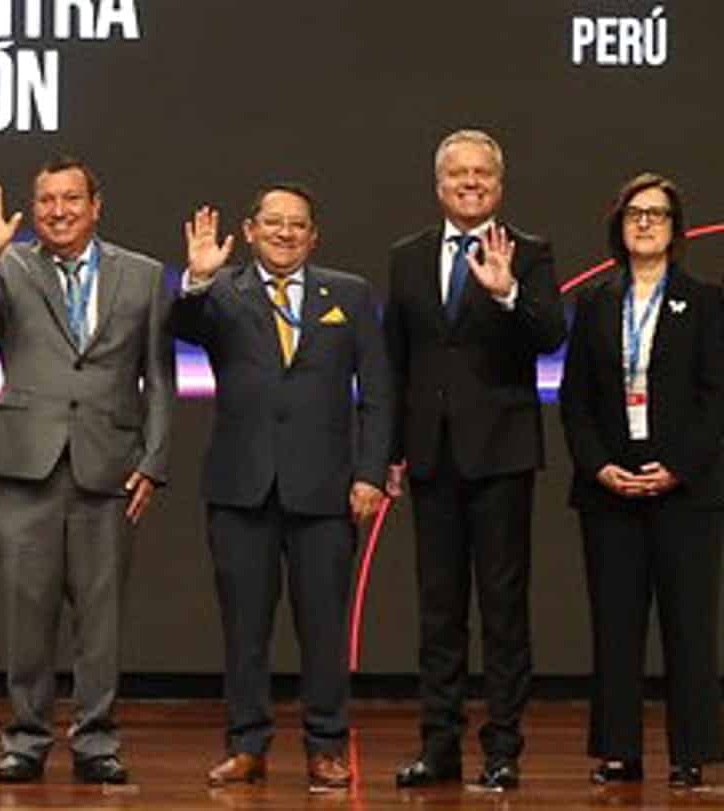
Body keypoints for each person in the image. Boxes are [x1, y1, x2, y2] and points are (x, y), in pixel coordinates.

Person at [0, 160, 173, 785]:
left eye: (71, 198)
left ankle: (97, 740)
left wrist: (154, 460)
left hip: (110, 466)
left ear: (96, 205)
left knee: (100, 619)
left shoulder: (144, 275)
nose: (58, 211)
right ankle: (25, 738)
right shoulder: (11, 267)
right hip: (27, 463)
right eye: (46, 200)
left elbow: (158, 378)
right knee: (28, 612)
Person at [172, 185, 391, 790]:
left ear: (313, 236)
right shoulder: (221, 292)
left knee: (324, 628)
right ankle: (247, 746)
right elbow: (182, 327)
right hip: (241, 487)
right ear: (250, 230)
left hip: (326, 490)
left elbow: (377, 393)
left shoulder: (347, 293)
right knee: (244, 629)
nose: (286, 233)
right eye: (274, 223)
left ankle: (326, 747)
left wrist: (371, 473)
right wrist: (195, 277)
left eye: (298, 225)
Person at [386, 130, 566, 791]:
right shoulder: (406, 256)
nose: (470, 183)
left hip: (501, 454)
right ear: (439, 186)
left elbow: (551, 335)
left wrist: (507, 292)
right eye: (457, 174)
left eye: (482, 173)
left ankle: (503, 749)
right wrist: (391, 452)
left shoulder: (530, 251)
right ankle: (439, 748)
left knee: (503, 608)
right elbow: (396, 360)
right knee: (438, 610)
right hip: (431, 455)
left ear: (499, 183)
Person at [558, 173, 724, 788]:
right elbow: (575, 400)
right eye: (634, 214)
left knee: (690, 624)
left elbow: (716, 398)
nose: (645, 223)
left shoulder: (706, 301)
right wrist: (600, 465)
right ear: (619, 227)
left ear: (676, 229)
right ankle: (619, 751)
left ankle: (691, 753)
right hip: (611, 489)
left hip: (688, 489)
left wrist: (678, 466)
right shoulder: (599, 303)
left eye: (657, 214)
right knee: (616, 625)